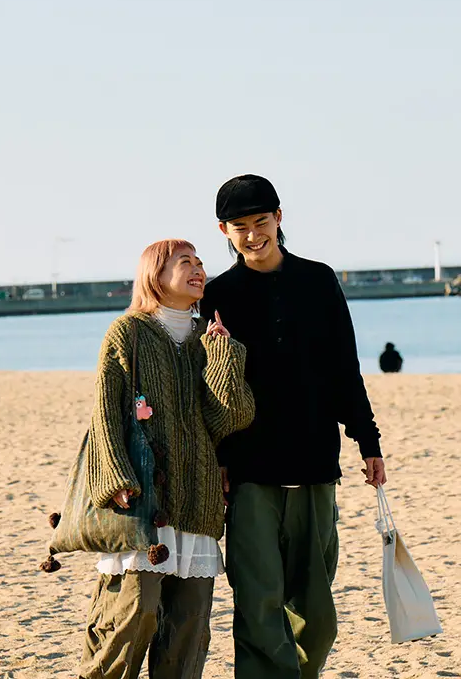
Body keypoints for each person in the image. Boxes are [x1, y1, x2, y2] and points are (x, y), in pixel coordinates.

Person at [200, 174, 386, 679]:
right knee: (259, 607)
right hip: (249, 472)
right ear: (224, 231)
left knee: (317, 616)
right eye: (240, 226)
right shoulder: (217, 295)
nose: (253, 234)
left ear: (279, 218)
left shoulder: (319, 280)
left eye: (261, 221)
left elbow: (345, 369)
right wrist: (217, 458)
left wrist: (367, 439)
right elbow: (207, 391)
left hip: (315, 466)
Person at [81, 239, 255, 679]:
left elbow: (231, 416)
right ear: (155, 275)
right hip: (143, 499)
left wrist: (223, 355)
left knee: (189, 624)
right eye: (185, 262)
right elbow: (104, 409)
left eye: (200, 262)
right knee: (134, 611)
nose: (198, 269)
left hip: (197, 496)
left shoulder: (205, 337)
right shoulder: (128, 332)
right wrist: (116, 475)